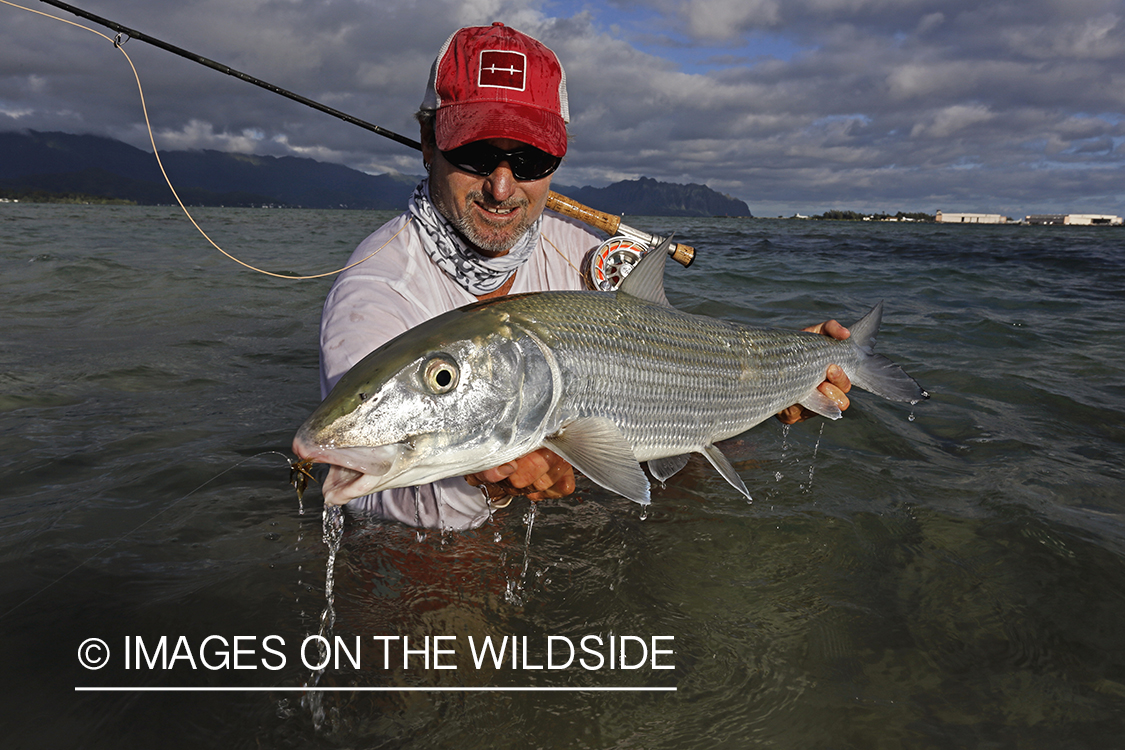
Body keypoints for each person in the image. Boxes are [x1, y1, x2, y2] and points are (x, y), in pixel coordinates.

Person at [317, 22, 851, 531]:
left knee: (715, 473)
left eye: (531, 159)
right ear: (429, 142)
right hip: (460, 530)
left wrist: (783, 375)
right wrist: (491, 485)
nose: (502, 187)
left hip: (611, 462)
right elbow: (377, 498)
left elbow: (681, 366)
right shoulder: (374, 292)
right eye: (477, 153)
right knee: (447, 573)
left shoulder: (585, 251)